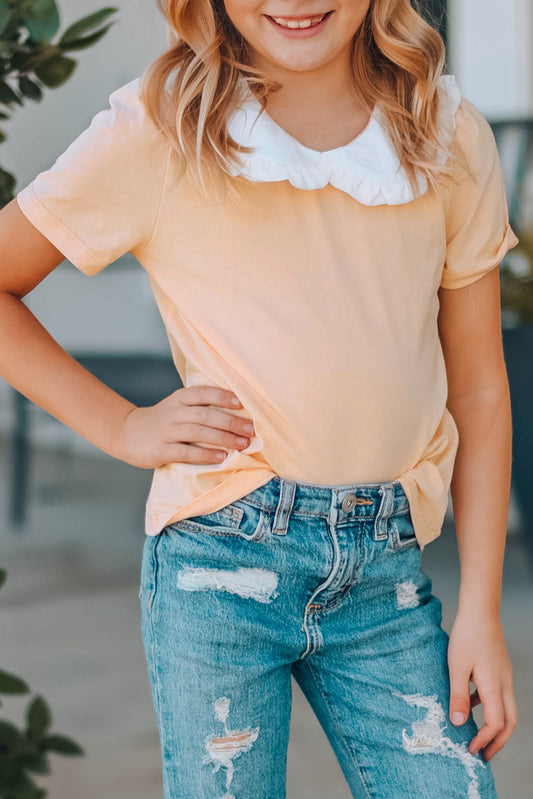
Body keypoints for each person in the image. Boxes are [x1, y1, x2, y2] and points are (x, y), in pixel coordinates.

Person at [0, 0, 519, 795]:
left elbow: (480, 386)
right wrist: (123, 425)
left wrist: (480, 606)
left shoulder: (445, 132)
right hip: (220, 562)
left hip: (383, 571)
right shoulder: (162, 126)